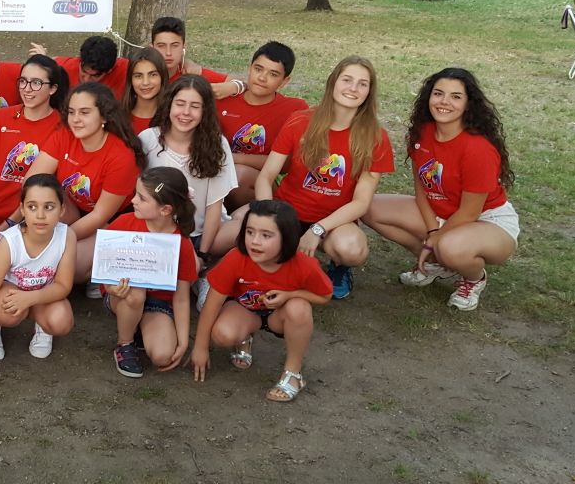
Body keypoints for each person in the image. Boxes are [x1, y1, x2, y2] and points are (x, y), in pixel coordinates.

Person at [217, 57, 393, 301]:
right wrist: (270, 217)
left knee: (352, 249)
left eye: (362, 84)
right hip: (286, 209)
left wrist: (318, 229)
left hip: (332, 221)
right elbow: (267, 176)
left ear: (369, 92)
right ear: (333, 83)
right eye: (347, 80)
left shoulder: (375, 137)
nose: (353, 88)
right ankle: (219, 271)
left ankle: (338, 268)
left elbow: (361, 202)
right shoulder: (301, 120)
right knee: (225, 236)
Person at [363, 68, 517, 311]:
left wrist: (435, 239)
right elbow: (421, 188)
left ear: (468, 104)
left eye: (456, 96)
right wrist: (433, 230)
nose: (444, 102)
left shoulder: (478, 149)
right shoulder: (423, 132)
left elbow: (469, 212)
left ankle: (474, 279)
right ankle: (435, 265)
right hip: (440, 211)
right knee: (368, 208)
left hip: (486, 219)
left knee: (450, 248)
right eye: (438, 93)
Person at [191, 200, 332, 403]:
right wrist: (200, 347)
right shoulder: (236, 257)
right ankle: (244, 337)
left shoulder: (304, 265)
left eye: (266, 235)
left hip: (279, 316)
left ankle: (293, 373)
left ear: (287, 237)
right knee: (222, 334)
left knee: (299, 308)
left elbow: (324, 295)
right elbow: (212, 303)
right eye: (250, 232)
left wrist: (290, 295)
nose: (255, 241)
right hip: (245, 310)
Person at [22, 83, 142, 294]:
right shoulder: (64, 135)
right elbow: (32, 182)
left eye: (85, 112)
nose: (75, 119)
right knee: (41, 198)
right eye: (71, 112)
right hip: (73, 207)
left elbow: (100, 215)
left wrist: (55, 241)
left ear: (104, 116)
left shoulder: (121, 156)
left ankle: (102, 269)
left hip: (110, 222)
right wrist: (21, 226)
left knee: (70, 265)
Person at [0, 174, 76, 381]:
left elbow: (63, 286)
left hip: (41, 295)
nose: (40, 215)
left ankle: (43, 327)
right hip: (10, 293)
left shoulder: (66, 235)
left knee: (61, 320)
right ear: (22, 209)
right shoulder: (10, 242)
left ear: (62, 210)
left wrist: (30, 298)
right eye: (32, 207)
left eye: (49, 207)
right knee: (7, 311)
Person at [103, 167, 198, 378]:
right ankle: (125, 343)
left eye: (141, 198)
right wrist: (111, 289)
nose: (133, 200)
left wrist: (183, 342)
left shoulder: (180, 243)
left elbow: (182, 298)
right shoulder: (123, 224)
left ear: (165, 209)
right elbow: (105, 269)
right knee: (136, 293)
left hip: (158, 304)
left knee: (163, 356)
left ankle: (139, 326)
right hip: (122, 296)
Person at [140, 75, 237, 262]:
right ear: (169, 104)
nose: (185, 112)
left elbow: (214, 205)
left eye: (195, 106)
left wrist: (202, 253)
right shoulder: (148, 139)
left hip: (203, 233)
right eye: (180, 104)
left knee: (247, 229)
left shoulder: (217, 144)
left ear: (205, 111)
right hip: (158, 232)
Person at [215, 42, 308, 210]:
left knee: (239, 174)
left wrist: (233, 158)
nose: (262, 78)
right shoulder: (223, 99)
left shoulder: (294, 109)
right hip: (215, 172)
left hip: (260, 181)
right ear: (249, 68)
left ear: (285, 81)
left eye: (273, 74)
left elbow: (286, 165)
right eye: (258, 69)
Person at [0, 54, 68, 227]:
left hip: (28, 219)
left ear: (52, 88)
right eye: (23, 81)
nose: (27, 89)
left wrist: (9, 224)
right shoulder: (2, 116)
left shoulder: (61, 127)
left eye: (36, 83)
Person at [149, 17, 241, 99]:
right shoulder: (142, 71)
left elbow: (242, 82)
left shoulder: (192, 72)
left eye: (175, 45)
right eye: (161, 46)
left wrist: (233, 87)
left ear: (183, 46)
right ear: (152, 47)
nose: (168, 53)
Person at [30, 35, 129, 100]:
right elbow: (49, 63)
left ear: (109, 70)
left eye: (95, 76)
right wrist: (42, 60)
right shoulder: (63, 67)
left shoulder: (126, 69)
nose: (86, 79)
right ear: (80, 61)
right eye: (83, 72)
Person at [121, 45, 168, 134]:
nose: (145, 82)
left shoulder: (173, 119)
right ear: (131, 80)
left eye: (152, 75)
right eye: (138, 76)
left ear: (162, 77)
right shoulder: (118, 119)